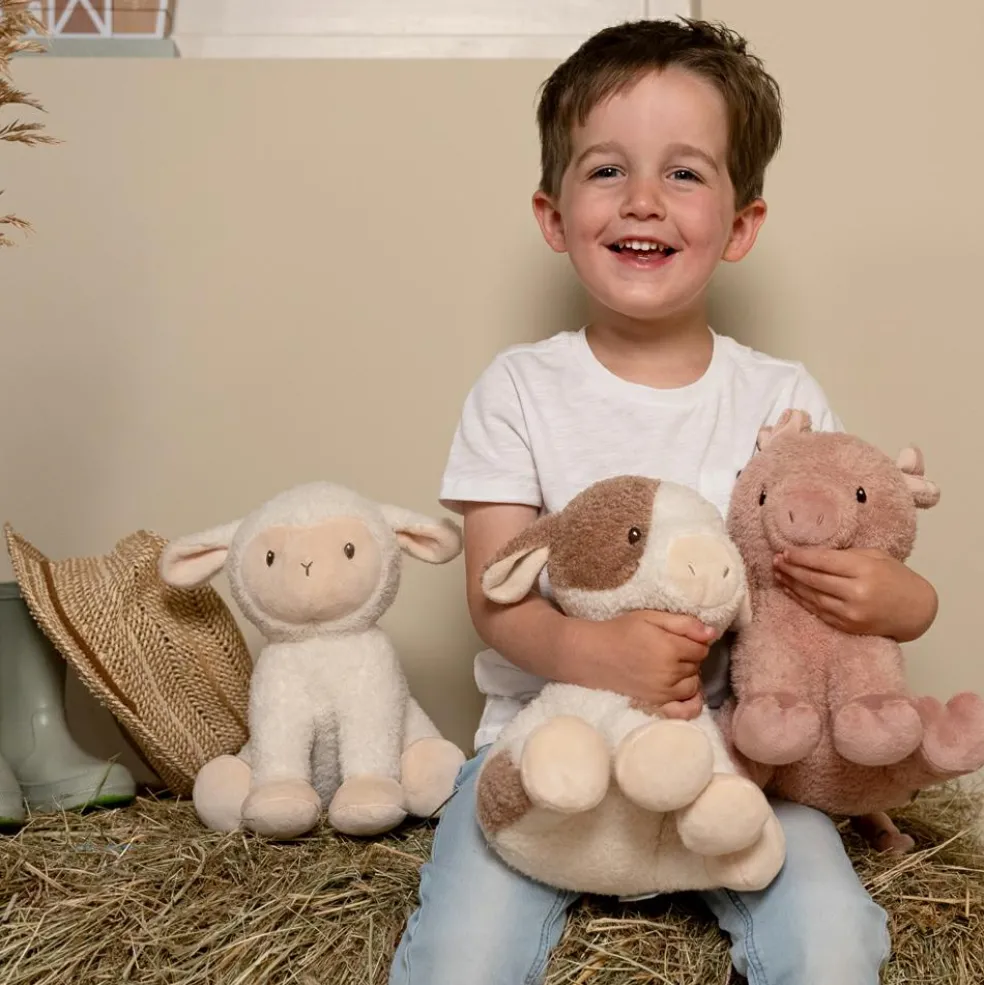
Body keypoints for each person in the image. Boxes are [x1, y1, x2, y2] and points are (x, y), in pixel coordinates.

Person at [389, 18, 938, 985]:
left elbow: (836, 585)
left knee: (834, 940)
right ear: (553, 214)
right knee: (460, 958)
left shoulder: (780, 395)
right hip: (546, 744)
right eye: (607, 170)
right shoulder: (518, 389)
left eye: (684, 173)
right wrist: (598, 654)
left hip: (738, 753)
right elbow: (493, 593)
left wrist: (904, 603)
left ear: (741, 225)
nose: (642, 199)